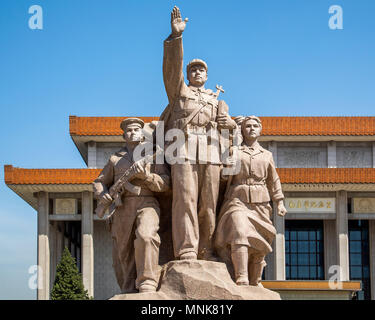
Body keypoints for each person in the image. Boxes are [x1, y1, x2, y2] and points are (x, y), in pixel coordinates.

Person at [161, 6, 236, 261]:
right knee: (184, 200)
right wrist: (176, 38)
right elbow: (172, 69)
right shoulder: (179, 91)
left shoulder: (215, 100)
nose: (196, 72)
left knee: (208, 205)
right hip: (182, 149)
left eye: (200, 70)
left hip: (211, 151)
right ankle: (187, 250)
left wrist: (229, 124)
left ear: (207, 75)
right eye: (192, 69)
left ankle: (206, 250)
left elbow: (228, 131)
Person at [93, 118, 170, 293]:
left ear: (142, 133)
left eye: (136, 129)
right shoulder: (115, 159)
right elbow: (99, 181)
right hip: (123, 206)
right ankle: (128, 289)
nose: (132, 132)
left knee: (146, 236)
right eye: (128, 130)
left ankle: (147, 281)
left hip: (147, 202)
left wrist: (147, 177)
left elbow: (165, 183)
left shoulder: (153, 154)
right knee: (123, 250)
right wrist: (103, 193)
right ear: (123, 135)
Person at [215, 116, 287, 287]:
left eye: (255, 126)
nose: (251, 129)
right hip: (237, 200)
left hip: (261, 203)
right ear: (242, 129)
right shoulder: (234, 152)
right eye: (248, 126)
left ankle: (256, 280)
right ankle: (241, 277)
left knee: (260, 243)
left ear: (260, 130)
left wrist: (279, 202)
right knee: (239, 232)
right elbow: (223, 179)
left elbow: (273, 180)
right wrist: (227, 169)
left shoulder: (267, 155)